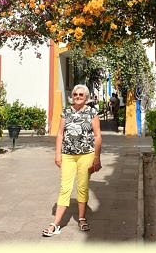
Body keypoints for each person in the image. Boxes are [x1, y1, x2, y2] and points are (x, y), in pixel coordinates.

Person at [42, 84, 102, 237]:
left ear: (86, 97)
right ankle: (56, 223)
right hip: (67, 155)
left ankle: (82, 218)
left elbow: (97, 136)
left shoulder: (92, 112)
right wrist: (57, 154)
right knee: (65, 187)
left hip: (86, 155)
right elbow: (60, 134)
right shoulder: (66, 112)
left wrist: (96, 157)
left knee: (82, 186)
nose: (77, 97)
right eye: (75, 94)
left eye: (81, 95)